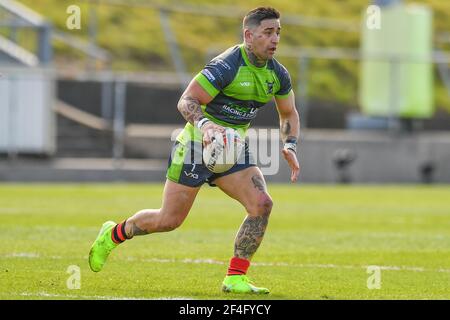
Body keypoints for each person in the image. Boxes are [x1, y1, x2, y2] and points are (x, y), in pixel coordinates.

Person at [89, 6, 300, 294]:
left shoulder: (278, 74)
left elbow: (288, 113)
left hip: (232, 149)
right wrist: (205, 126)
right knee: (169, 220)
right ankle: (112, 234)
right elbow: (187, 100)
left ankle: (235, 278)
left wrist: (289, 144)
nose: (275, 39)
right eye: (267, 33)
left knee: (262, 204)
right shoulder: (227, 66)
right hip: (195, 147)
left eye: (278, 32)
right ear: (248, 36)